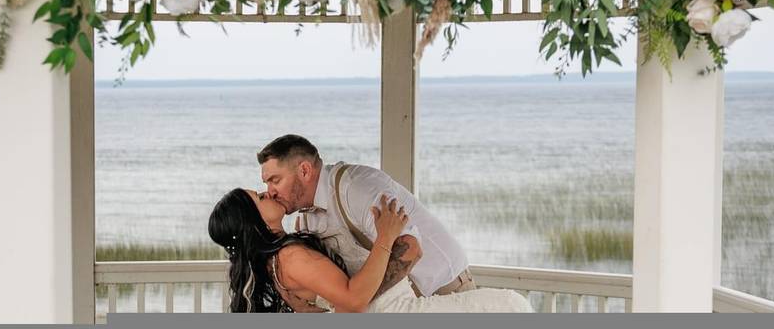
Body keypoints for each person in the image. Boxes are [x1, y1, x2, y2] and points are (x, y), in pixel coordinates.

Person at [208, 187, 533, 313]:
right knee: (511, 305)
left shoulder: (275, 262)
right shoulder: (290, 257)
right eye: (260, 198)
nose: (268, 192)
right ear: (252, 221)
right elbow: (352, 298)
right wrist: (386, 236)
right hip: (397, 311)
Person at [256, 134, 472, 298]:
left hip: (444, 290)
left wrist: (358, 302)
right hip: (397, 304)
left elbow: (411, 250)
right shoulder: (304, 221)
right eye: (267, 183)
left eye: (275, 180)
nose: (270, 191)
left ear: (304, 171)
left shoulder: (357, 188)